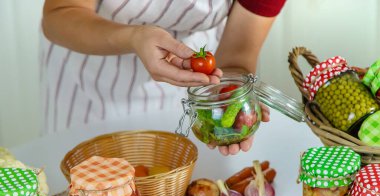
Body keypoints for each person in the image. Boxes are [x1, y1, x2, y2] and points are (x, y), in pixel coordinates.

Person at [41, 0, 286, 155]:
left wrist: (231, 103)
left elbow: (236, 55)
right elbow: (59, 14)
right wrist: (134, 38)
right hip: (92, 76)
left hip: (193, 75)